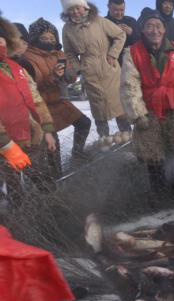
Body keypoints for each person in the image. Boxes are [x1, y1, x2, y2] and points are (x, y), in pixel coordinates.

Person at [121, 8, 174, 197]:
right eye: (149, 26)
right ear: (142, 30)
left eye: (158, 26)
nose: (154, 30)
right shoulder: (132, 53)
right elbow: (129, 84)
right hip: (149, 109)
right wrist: (137, 113)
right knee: (153, 151)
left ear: (164, 29)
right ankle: (157, 189)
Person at [23, 18, 92, 179]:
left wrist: (71, 73)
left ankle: (77, 154)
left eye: (52, 38)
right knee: (53, 144)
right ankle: (57, 177)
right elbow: (32, 86)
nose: (49, 41)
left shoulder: (59, 54)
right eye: (44, 38)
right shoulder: (28, 57)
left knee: (84, 123)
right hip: (41, 105)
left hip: (59, 101)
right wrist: (52, 76)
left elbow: (69, 80)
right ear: (35, 39)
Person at [0, 15, 57, 207]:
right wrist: (6, 146)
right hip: (5, 146)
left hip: (30, 136)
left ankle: (50, 210)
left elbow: (36, 100)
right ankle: (17, 221)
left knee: (43, 180)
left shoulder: (17, 68)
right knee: (15, 190)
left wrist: (47, 129)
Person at [61, 0, 129, 138]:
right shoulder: (67, 28)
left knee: (119, 107)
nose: (75, 11)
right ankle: (104, 141)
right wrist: (78, 67)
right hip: (89, 73)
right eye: (71, 9)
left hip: (110, 70)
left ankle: (127, 136)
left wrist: (112, 54)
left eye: (77, 7)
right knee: (99, 112)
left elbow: (120, 35)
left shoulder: (99, 21)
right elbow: (69, 52)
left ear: (84, 6)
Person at [105, 0, 140, 65]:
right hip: (109, 64)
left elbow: (141, 41)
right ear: (108, 6)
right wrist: (113, 31)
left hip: (131, 64)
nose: (119, 13)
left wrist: (131, 33)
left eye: (122, 10)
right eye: (115, 10)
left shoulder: (131, 21)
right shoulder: (103, 23)